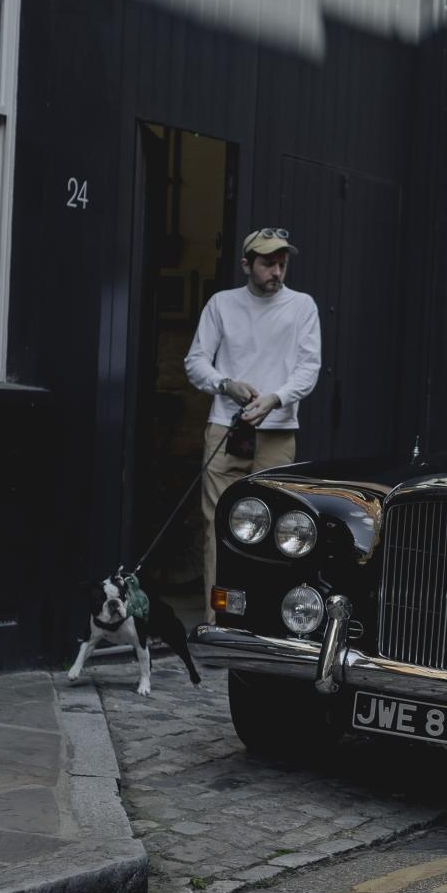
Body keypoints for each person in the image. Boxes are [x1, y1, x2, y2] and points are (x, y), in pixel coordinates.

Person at [184, 228, 322, 608]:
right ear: (247, 264)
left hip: (277, 433)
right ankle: (217, 620)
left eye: (282, 263)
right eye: (267, 263)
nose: (276, 271)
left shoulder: (302, 306)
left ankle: (266, 617)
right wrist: (225, 384)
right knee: (218, 525)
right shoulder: (222, 304)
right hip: (226, 429)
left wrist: (275, 399)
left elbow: (308, 368)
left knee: (279, 528)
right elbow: (195, 361)